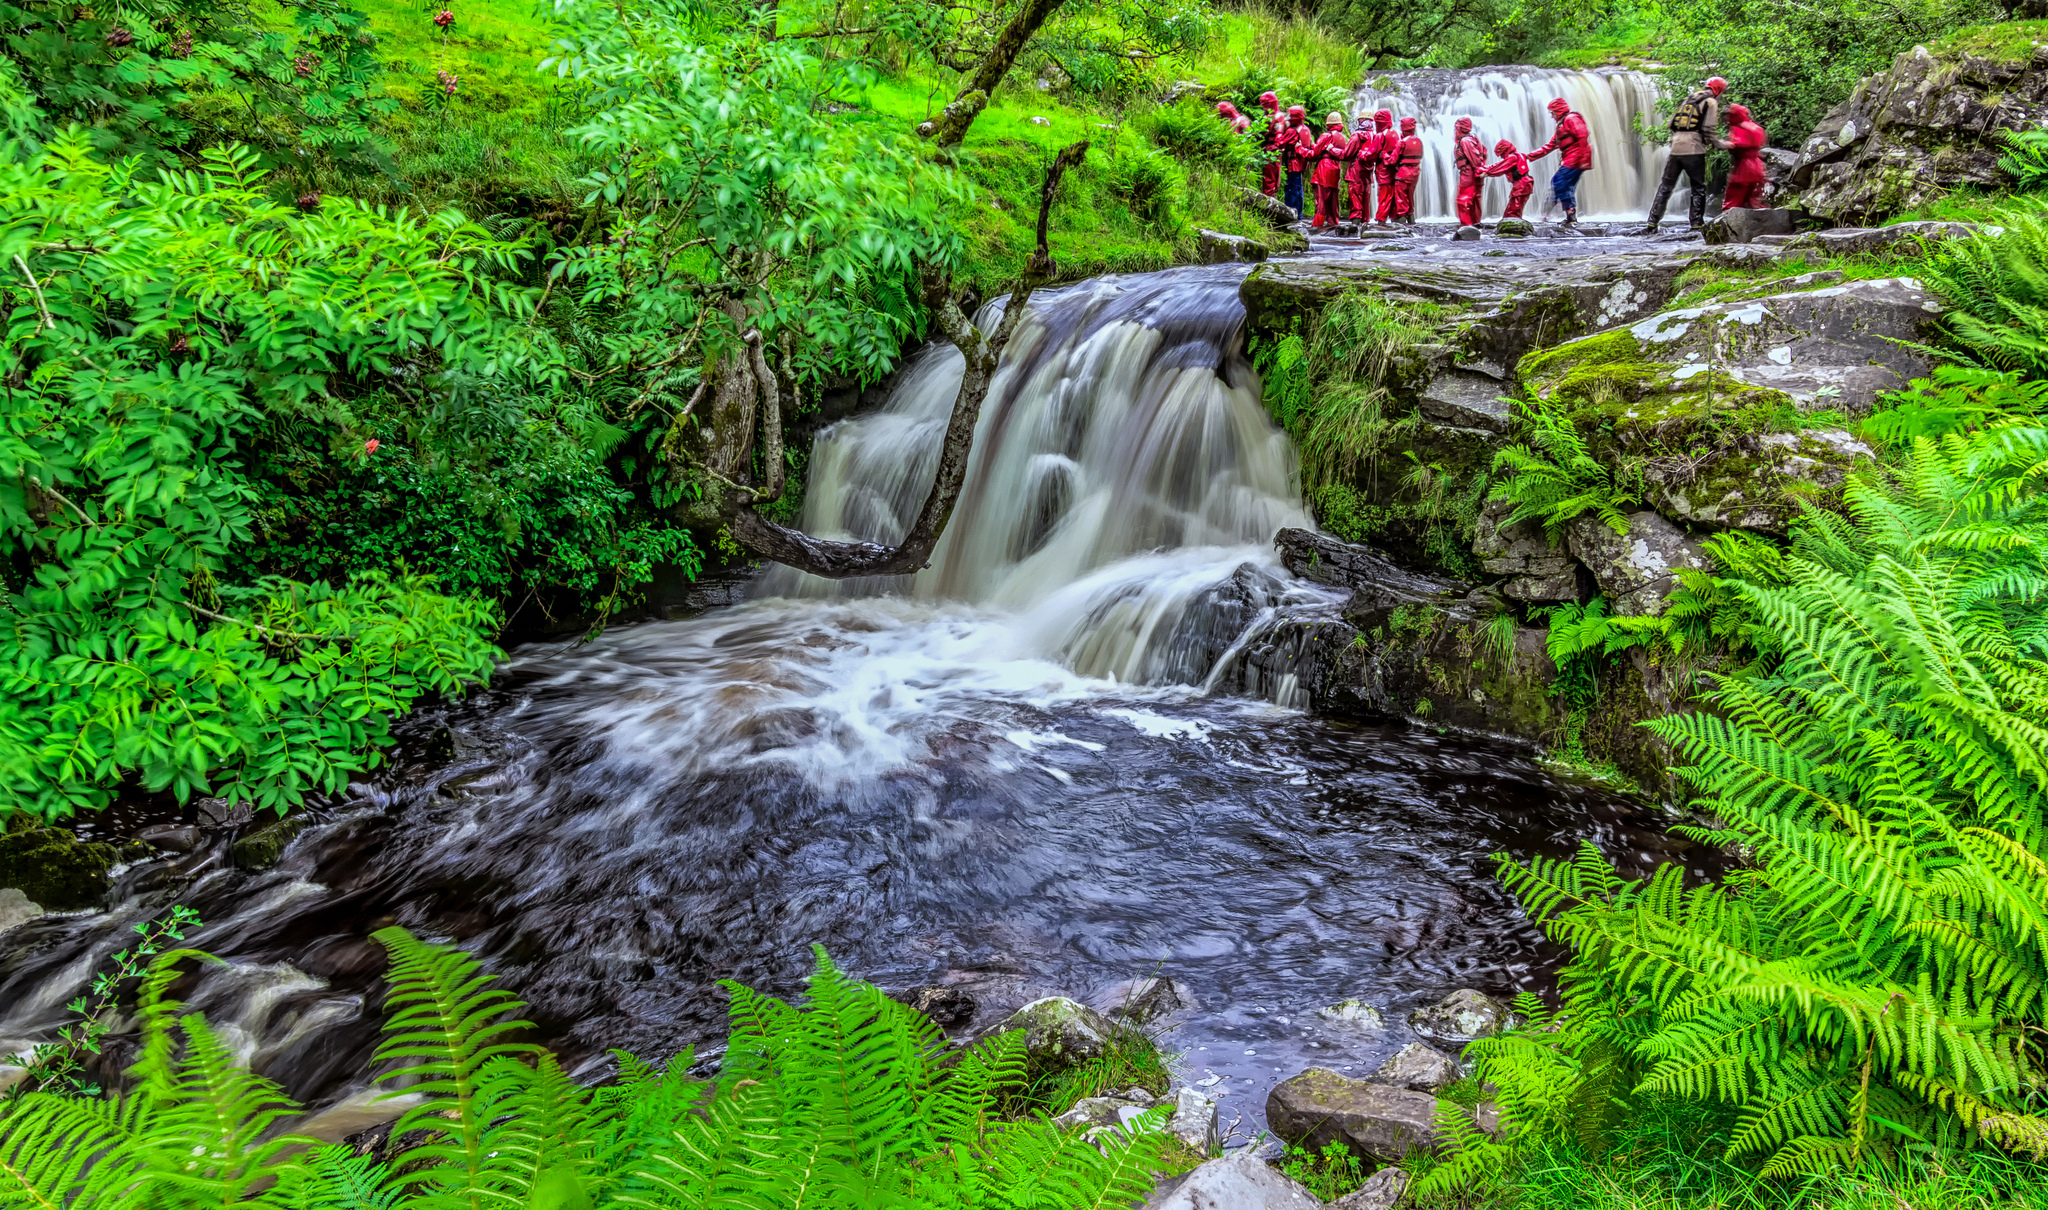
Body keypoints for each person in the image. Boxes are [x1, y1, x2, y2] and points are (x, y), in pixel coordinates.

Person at [1641, 76, 1724, 233]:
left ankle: (1652, 223)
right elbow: (1708, 128)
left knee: (1666, 186)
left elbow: (1671, 123)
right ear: (1718, 90)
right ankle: (1696, 224)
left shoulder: (1689, 99)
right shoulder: (1710, 102)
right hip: (1693, 149)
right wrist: (1717, 144)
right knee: (1698, 187)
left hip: (1675, 148)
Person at [1528, 96, 1593, 227]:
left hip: (1575, 158)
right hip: (1572, 158)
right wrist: (1529, 156)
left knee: (1559, 182)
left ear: (1558, 110)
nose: (1551, 116)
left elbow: (1583, 135)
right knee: (1563, 185)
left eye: (1552, 113)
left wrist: (1582, 159)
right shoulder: (1562, 125)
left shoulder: (1571, 119)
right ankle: (1563, 212)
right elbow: (1550, 146)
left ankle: (1563, 212)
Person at [1719, 103, 1769, 210]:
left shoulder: (1739, 127)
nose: (1727, 119)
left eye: (1729, 115)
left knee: (1732, 201)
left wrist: (1724, 144)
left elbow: (1739, 144)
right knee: (1752, 201)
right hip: (1758, 166)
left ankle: (1727, 224)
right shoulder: (1755, 127)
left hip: (1744, 168)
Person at [1308, 112, 1349, 231]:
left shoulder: (1326, 136)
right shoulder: (1342, 138)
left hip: (1324, 169)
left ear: (1329, 124)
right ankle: (1333, 226)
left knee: (1321, 201)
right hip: (1336, 169)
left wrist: (1300, 148)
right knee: (1333, 202)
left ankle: (1317, 227)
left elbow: (1314, 154)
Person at [1480, 137, 1534, 219]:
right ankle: (1513, 226)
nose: (1501, 157)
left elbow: (1500, 167)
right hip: (1524, 184)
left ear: (1505, 150)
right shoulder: (1519, 155)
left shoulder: (1512, 158)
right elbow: (1500, 165)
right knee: (1512, 210)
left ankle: (1513, 229)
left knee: (1513, 212)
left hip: (1521, 184)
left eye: (1501, 154)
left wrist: (1487, 173)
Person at [1342, 109, 1379, 224]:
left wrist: (1332, 150)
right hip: (1369, 170)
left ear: (1361, 120)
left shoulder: (1357, 135)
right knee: (1366, 198)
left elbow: (1346, 154)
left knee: (1356, 196)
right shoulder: (1375, 136)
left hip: (1356, 169)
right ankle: (1365, 224)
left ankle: (1356, 224)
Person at [1452, 116, 1486, 228]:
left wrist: (1478, 170)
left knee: (1464, 201)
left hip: (1469, 174)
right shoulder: (1473, 139)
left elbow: (1475, 159)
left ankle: (1466, 226)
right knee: (1474, 201)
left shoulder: (1465, 141)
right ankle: (1475, 224)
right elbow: (1483, 153)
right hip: (1475, 174)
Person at [1283, 104, 1314, 217]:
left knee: (1292, 188)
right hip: (1302, 162)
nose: (1288, 118)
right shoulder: (1305, 129)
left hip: (1294, 162)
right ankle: (1298, 214)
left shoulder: (1293, 131)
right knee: (1298, 188)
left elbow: (1282, 143)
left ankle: (1292, 214)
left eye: (1290, 115)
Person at [1391, 116, 1424, 223]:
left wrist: (1384, 156)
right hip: (1415, 172)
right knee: (1410, 196)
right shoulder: (1419, 141)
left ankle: (1402, 221)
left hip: (1403, 173)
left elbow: (1392, 160)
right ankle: (1411, 218)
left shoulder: (1402, 142)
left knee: (1401, 198)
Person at [1370, 110, 1399, 223]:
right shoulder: (1395, 134)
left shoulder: (1380, 136)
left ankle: (1381, 221)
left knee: (1384, 197)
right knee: (1392, 197)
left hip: (1383, 171)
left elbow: (1372, 153)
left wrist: (1361, 155)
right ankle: (1395, 220)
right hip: (1394, 170)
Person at [1259, 92, 1284, 197]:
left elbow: (1277, 132)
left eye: (1265, 104)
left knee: (1271, 177)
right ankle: (1270, 198)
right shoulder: (1276, 116)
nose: (1263, 107)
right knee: (1270, 177)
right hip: (1271, 149)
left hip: (1272, 149)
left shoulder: (1276, 117)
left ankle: (1270, 200)